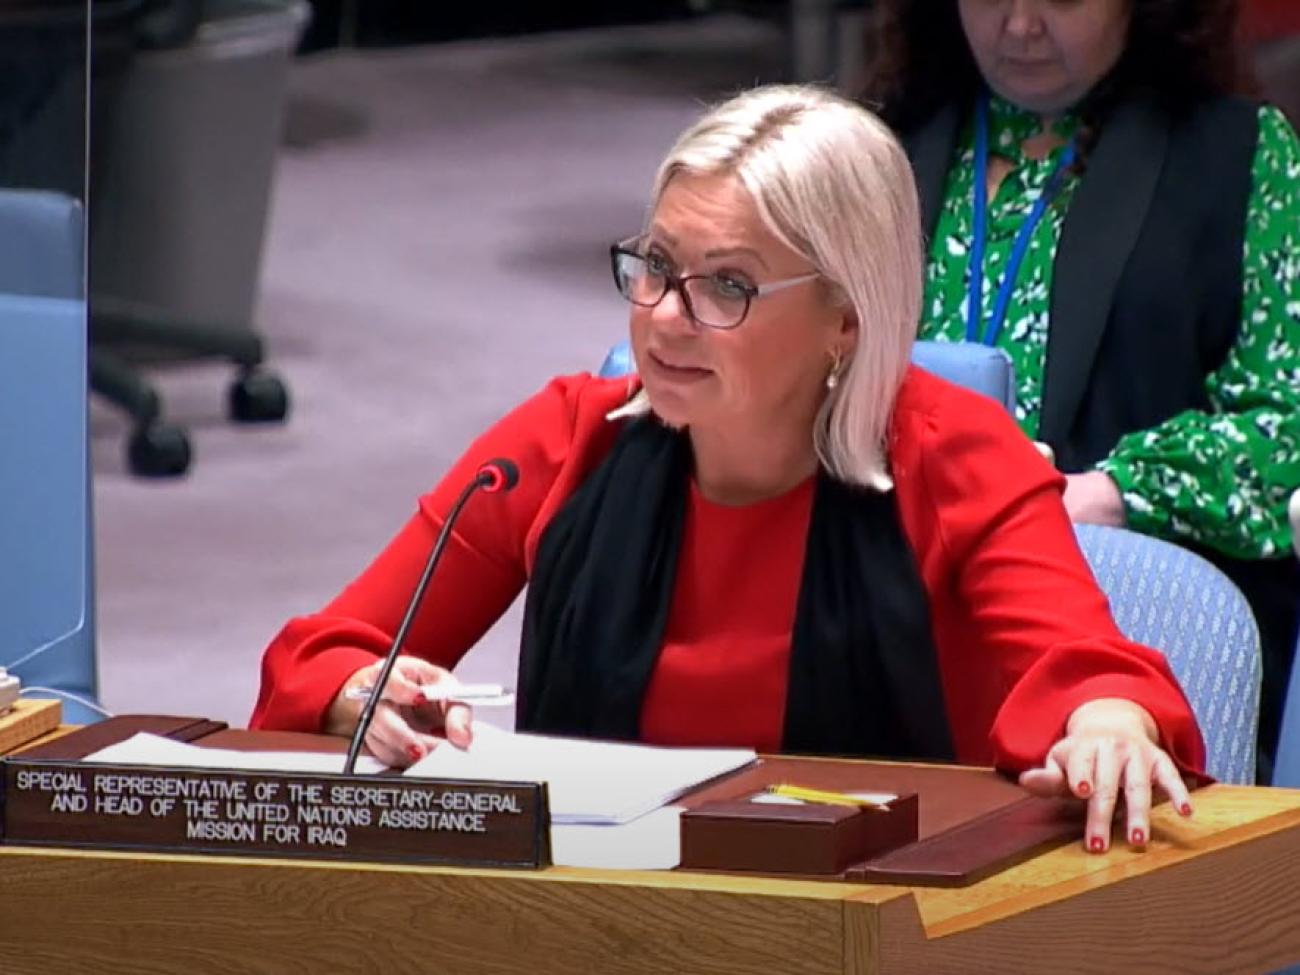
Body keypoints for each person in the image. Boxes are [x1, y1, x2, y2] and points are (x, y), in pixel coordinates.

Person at [252, 84, 1204, 853]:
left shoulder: (954, 455)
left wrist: (1108, 724)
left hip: (880, 929)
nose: (666, 317)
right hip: (594, 921)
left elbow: (1091, 674)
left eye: (727, 286)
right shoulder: (563, 441)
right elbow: (321, 654)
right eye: (656, 266)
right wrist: (355, 693)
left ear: (845, 318)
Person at [862, 0, 1300, 780]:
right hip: (888, 614)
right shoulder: (876, 145)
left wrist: (1103, 495)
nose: (1020, 25)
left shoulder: (1238, 155)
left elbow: (1282, 428)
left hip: (1125, 627)